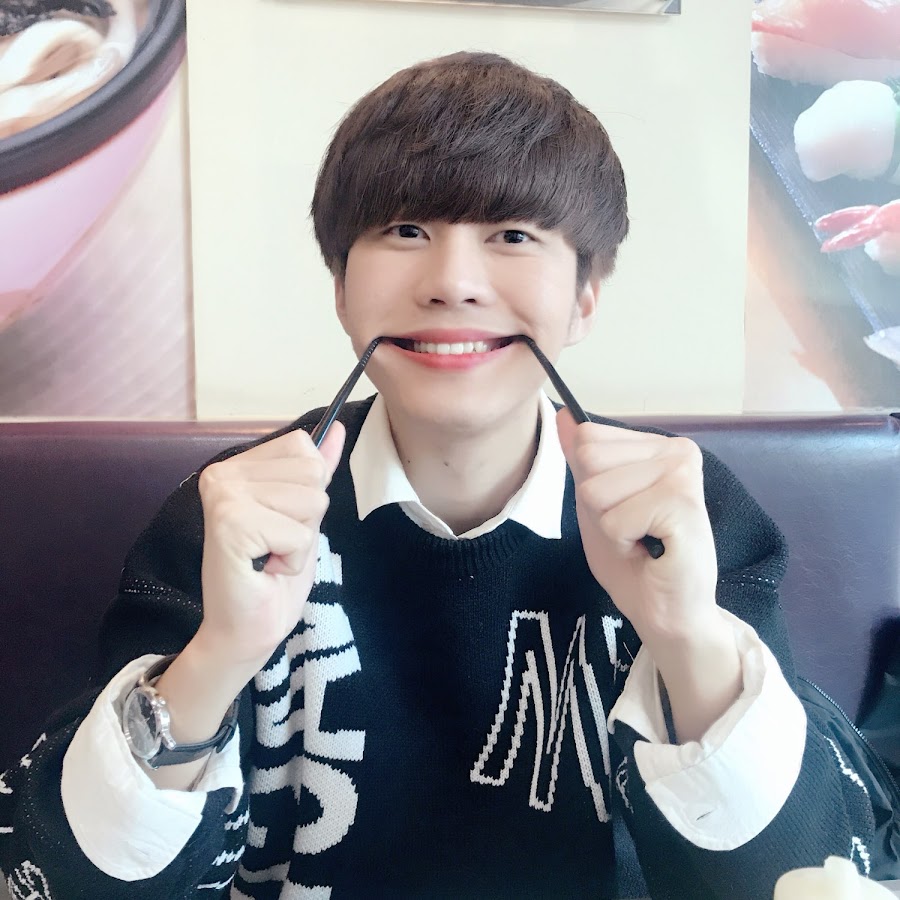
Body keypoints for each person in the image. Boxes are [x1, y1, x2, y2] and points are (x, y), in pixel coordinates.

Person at [0, 51, 877, 900]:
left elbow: (811, 875)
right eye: (406, 231)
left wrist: (687, 637)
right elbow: (55, 881)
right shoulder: (228, 515)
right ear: (341, 289)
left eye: (513, 235)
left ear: (585, 297)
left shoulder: (685, 512)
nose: (454, 283)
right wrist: (218, 656)